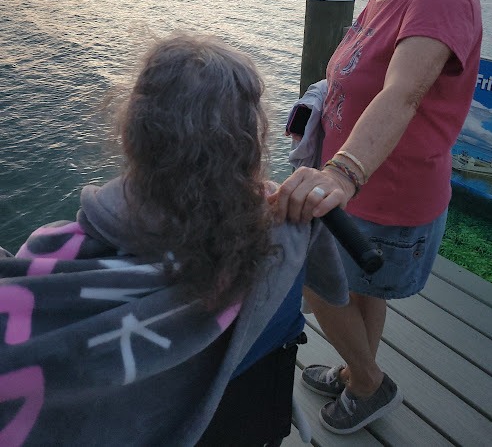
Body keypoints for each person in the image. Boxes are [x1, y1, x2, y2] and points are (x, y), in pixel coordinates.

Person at [0, 32, 348, 446]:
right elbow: (334, 291)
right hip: (246, 425)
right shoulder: (287, 237)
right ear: (250, 146)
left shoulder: (55, 251)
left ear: (130, 136)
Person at [273, 0, 483, 435]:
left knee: (314, 283)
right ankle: (356, 370)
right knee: (361, 294)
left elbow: (402, 93)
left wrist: (340, 174)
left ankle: (367, 382)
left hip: (386, 195)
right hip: (366, 192)